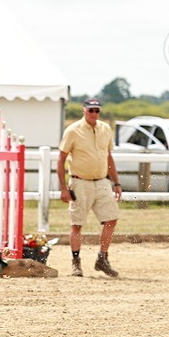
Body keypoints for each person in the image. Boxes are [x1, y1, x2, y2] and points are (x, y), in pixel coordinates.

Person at [57, 98, 122, 277]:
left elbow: (108, 157)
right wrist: (63, 188)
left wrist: (116, 182)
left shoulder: (106, 129)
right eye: (91, 110)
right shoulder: (73, 131)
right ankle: (76, 262)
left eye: (97, 111)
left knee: (112, 218)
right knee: (77, 224)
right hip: (80, 181)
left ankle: (102, 258)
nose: (94, 114)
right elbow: (61, 159)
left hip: (102, 181)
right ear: (84, 110)